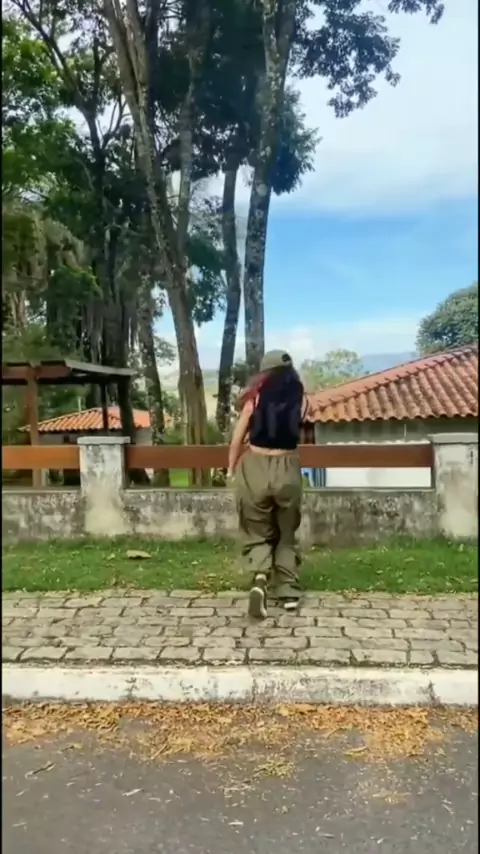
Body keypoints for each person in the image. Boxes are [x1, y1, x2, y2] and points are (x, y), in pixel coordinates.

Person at [227, 350, 306, 618]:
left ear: (264, 372)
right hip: (287, 468)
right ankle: (289, 592)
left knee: (257, 530)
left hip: (255, 467)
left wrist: (231, 468)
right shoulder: (302, 398)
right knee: (286, 532)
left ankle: (260, 579)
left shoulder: (255, 398)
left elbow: (237, 439)